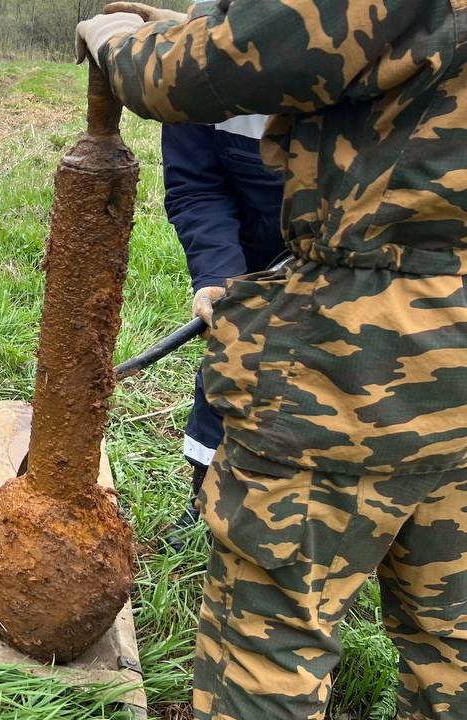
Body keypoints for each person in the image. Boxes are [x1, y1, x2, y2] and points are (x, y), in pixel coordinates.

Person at [78, 2, 467, 719]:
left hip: (356, 361)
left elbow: (212, 64)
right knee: (454, 637)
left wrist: (117, 42)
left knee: (269, 642)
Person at [162, 115, 285, 549]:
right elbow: (197, 184)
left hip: (383, 254)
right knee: (232, 354)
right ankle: (204, 499)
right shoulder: (202, 74)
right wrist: (219, 273)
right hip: (259, 240)